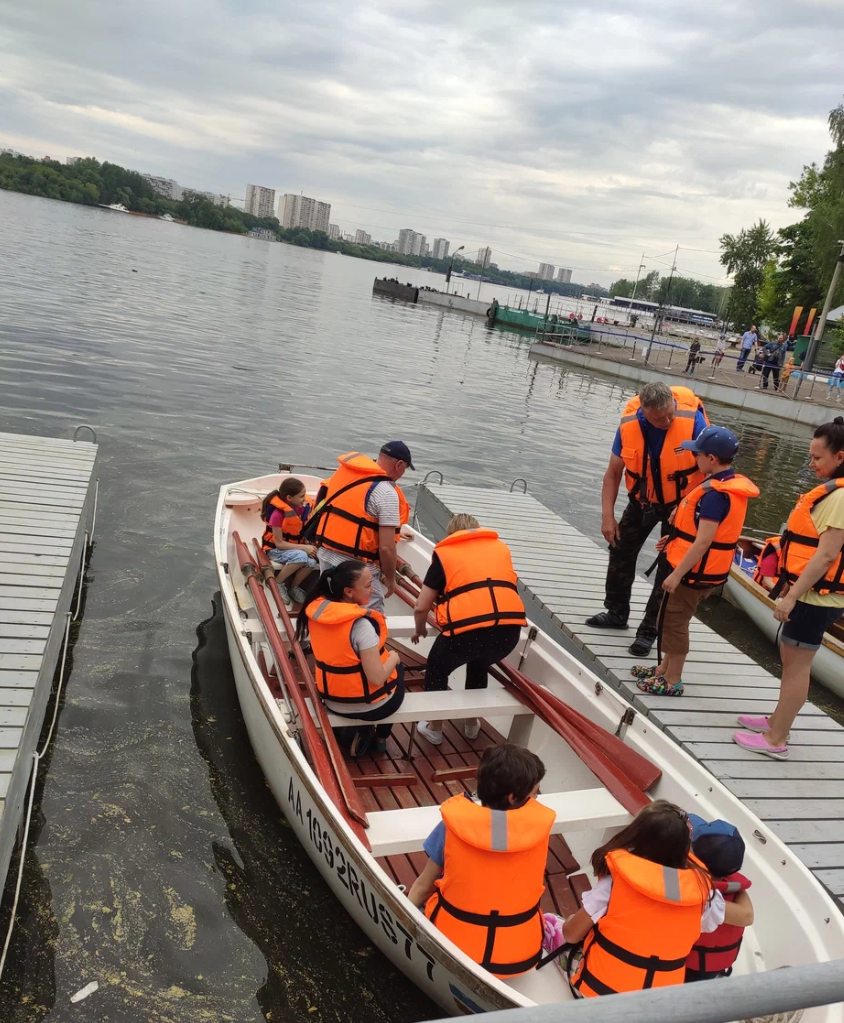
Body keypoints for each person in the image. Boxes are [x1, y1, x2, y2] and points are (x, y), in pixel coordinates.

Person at [734, 419, 844, 759]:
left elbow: (826, 555)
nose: (811, 464)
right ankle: (776, 721)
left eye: (817, 458)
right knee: (790, 660)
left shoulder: (840, 497)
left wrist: (792, 596)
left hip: (815, 599)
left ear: (840, 456)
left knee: (797, 667)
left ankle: (776, 738)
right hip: (811, 594)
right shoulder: (834, 492)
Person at [560, 801, 737, 998]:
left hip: (601, 995)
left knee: (556, 925)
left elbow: (571, 935)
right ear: (686, 846)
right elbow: (707, 924)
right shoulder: (705, 893)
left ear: (636, 837)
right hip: (657, 1004)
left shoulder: (612, 885)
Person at [407, 744, 554, 979]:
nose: (536, 799)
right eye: (535, 793)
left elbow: (423, 887)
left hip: (452, 952)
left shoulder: (451, 827)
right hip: (518, 960)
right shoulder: (537, 831)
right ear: (513, 797)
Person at [586, 382, 709, 657]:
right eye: (658, 419)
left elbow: (712, 472)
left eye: (669, 414)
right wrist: (607, 517)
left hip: (681, 504)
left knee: (669, 566)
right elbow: (613, 473)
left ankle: (649, 631)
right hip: (642, 501)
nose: (666, 422)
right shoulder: (629, 425)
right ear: (644, 412)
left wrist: (687, 505)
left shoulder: (693, 421)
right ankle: (616, 613)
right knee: (619, 550)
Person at [635, 427, 759, 696]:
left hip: (693, 574)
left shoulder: (715, 496)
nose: (694, 458)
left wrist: (676, 574)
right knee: (669, 617)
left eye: (698, 454)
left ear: (711, 459)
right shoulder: (721, 483)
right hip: (698, 569)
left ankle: (673, 680)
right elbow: (696, 532)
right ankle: (663, 669)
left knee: (675, 623)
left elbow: (703, 541)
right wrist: (674, 539)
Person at [411, 514, 527, 745]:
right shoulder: (500, 549)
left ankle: (435, 728)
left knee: (437, 669)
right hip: (508, 633)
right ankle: (472, 725)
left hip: (466, 635)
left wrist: (420, 629)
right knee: (479, 663)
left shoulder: (445, 555)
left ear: (451, 534)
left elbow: (421, 607)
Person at [295, 560, 405, 757]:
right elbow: (377, 678)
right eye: (368, 586)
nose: (373, 590)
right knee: (398, 669)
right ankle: (381, 739)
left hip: (332, 700)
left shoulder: (317, 614)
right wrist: (394, 657)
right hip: (368, 706)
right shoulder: (361, 626)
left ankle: (358, 731)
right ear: (348, 591)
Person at [308, 442, 414, 613]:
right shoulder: (386, 491)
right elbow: (386, 548)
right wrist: (390, 579)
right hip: (357, 570)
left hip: (327, 557)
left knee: (333, 609)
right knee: (371, 616)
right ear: (399, 464)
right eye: (405, 469)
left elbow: (349, 514)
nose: (402, 474)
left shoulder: (346, 475)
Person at [685, 814, 753, 982]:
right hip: (712, 963)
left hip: (691, 970)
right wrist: (736, 886)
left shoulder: (703, 896)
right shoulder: (730, 889)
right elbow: (748, 914)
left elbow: (747, 916)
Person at [260, 478, 319, 605]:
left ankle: (293, 588)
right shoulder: (277, 515)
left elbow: (302, 531)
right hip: (274, 550)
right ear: (289, 498)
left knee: (312, 561)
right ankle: (277, 583)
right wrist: (304, 548)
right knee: (301, 556)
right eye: (301, 496)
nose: (304, 499)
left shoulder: (301, 509)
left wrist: (308, 545)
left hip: (293, 547)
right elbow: (279, 544)